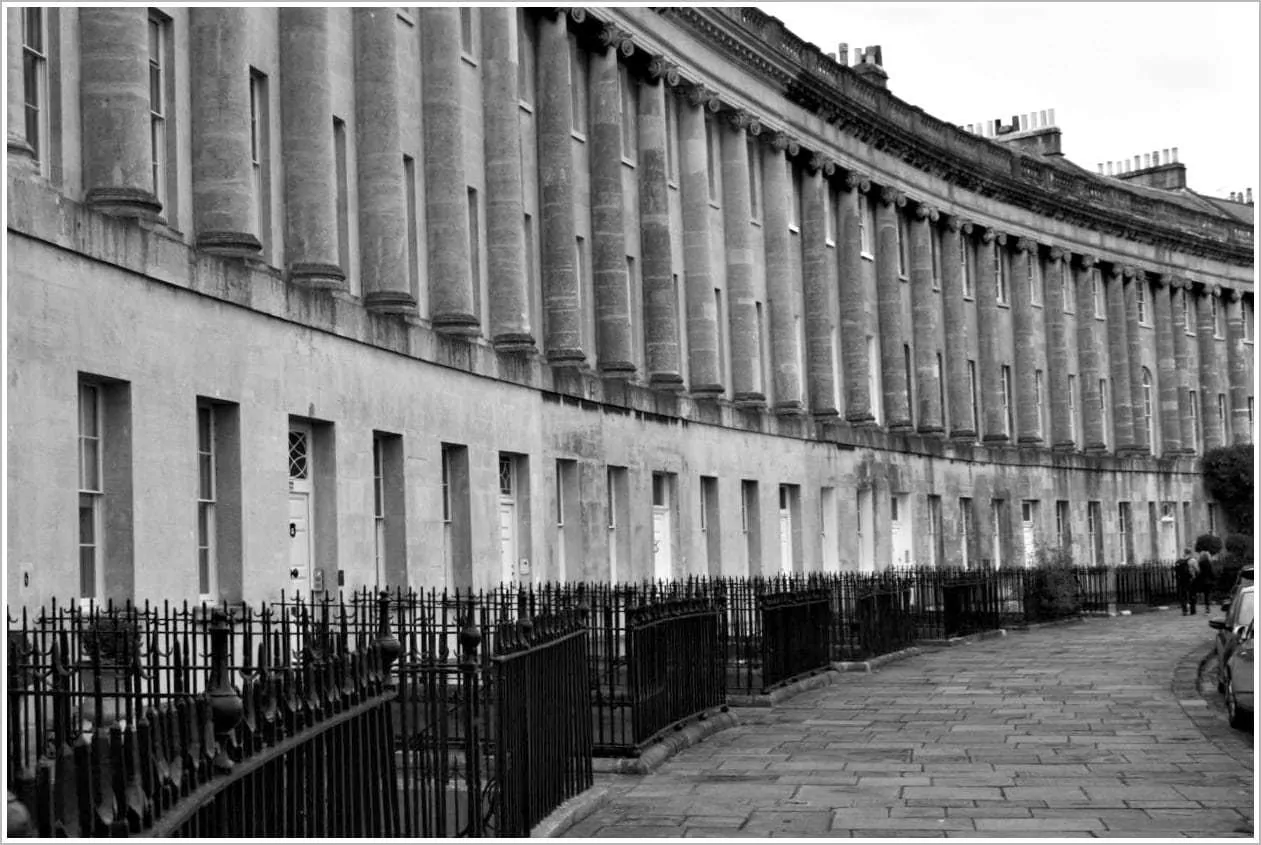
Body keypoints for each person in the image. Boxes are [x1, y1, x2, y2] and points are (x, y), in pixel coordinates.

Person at [1174, 549, 1196, 615]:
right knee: (1191, 594)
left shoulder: (1179, 560)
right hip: (1190, 579)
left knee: (1183, 595)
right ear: (1190, 552)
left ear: (1184, 552)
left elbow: (1176, 570)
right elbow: (1197, 569)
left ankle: (1184, 610)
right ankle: (1192, 610)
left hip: (1182, 580)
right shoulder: (1192, 560)